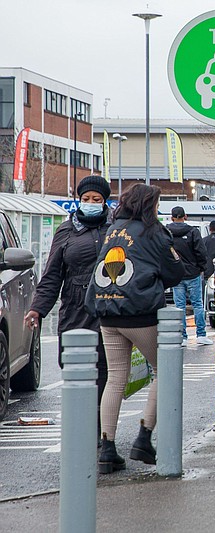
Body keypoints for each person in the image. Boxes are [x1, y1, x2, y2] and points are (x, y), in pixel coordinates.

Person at [85, 183, 185, 473]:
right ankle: (143, 437)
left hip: (107, 312)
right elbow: (175, 271)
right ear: (148, 205)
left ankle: (107, 448)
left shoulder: (112, 229)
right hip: (140, 314)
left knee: (116, 378)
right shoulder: (154, 232)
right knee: (163, 371)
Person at [25, 175, 113, 440]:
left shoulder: (116, 228)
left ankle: (100, 433)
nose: (90, 204)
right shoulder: (66, 231)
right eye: (86, 199)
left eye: (96, 200)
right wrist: (37, 309)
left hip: (109, 308)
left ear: (104, 201)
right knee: (76, 369)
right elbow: (52, 274)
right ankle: (84, 428)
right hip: (75, 310)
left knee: (106, 372)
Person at [167, 206, 213, 347]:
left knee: (179, 306)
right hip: (193, 274)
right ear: (185, 216)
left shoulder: (167, 233)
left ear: (172, 217)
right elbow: (201, 252)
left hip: (177, 275)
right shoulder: (193, 232)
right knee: (197, 304)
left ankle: (183, 336)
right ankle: (201, 335)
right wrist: (202, 268)